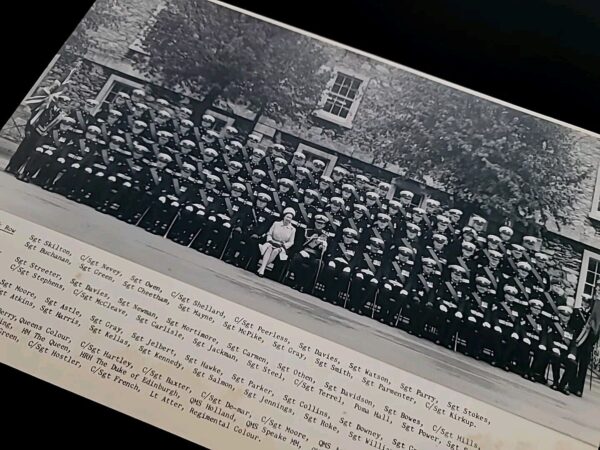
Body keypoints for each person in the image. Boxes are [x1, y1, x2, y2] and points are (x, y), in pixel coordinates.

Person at [257, 207, 297, 277]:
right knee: (269, 248)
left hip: (281, 246)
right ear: (284, 216)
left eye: (290, 218)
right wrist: (270, 240)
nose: (288, 219)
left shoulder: (292, 229)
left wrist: (284, 246)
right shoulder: (276, 223)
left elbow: (291, 242)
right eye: (287, 217)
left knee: (275, 251)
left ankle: (262, 268)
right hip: (271, 242)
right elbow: (269, 233)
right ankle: (262, 269)